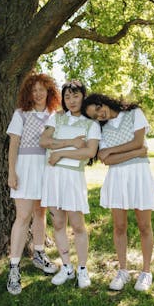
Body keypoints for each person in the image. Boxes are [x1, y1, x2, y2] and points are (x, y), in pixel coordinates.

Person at [81, 93, 154, 292]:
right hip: (117, 178)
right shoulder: (103, 129)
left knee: (144, 226)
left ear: (103, 101)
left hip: (139, 175)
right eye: (94, 116)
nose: (99, 115)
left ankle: (146, 272)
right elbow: (108, 160)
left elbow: (138, 141)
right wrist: (135, 152)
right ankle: (123, 271)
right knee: (119, 226)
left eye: (98, 109)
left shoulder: (135, 114)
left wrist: (113, 150)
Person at [39, 80, 101, 288]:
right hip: (53, 177)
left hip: (73, 178)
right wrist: (70, 143)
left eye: (75, 96)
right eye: (67, 96)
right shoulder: (56, 117)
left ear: (83, 97)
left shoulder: (91, 124)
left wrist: (60, 153)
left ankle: (82, 269)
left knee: (77, 225)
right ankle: (66, 266)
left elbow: (89, 152)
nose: (71, 100)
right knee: (58, 224)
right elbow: (44, 141)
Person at [6, 71, 61, 295]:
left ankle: (39, 254)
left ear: (49, 92)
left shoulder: (53, 115)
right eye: (34, 90)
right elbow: (14, 145)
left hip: (46, 168)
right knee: (23, 216)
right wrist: (12, 172)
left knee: (40, 213)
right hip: (26, 168)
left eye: (42, 89)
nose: (38, 93)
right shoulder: (21, 114)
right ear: (29, 93)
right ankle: (14, 268)